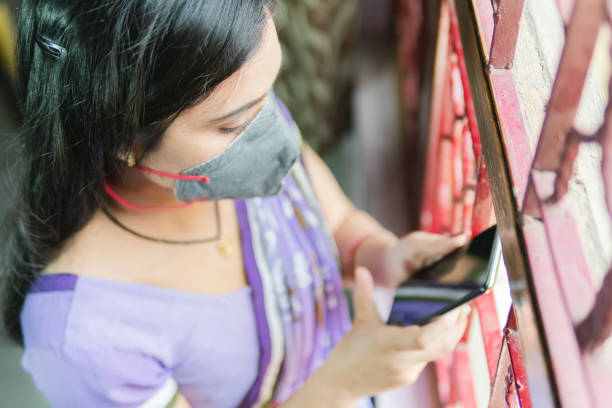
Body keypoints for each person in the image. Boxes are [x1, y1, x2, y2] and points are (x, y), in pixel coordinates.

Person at [1, 0, 470, 407]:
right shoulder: (83, 335)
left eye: (268, 92)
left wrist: (383, 257)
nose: (272, 127)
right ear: (125, 139)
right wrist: (342, 385)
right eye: (232, 124)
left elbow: (336, 225)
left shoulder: (245, 113)